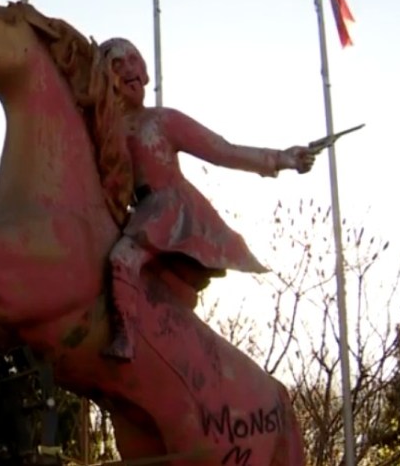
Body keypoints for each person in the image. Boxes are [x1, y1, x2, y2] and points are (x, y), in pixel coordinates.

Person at [95, 38, 316, 361]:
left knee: (122, 259)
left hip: (169, 209)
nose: (128, 70)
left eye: (133, 60)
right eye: (117, 64)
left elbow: (222, 151)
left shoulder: (162, 120)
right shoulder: (105, 131)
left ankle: (125, 338)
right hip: (136, 213)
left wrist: (283, 158)